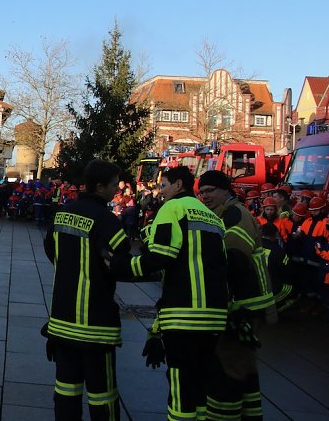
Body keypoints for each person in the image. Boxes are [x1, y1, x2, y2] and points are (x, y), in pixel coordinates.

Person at [109, 166, 229, 421]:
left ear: (179, 185)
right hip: (215, 315)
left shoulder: (172, 209)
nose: (160, 191)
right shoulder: (213, 217)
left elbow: (161, 256)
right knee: (199, 387)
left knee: (180, 387)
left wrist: (123, 266)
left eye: (164, 185)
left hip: (184, 315)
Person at [43, 159, 130, 420]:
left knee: (66, 390)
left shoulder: (62, 214)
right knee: (102, 395)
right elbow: (122, 261)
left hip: (62, 321)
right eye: (114, 185)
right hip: (96, 326)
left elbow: (51, 250)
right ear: (100, 186)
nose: (118, 190)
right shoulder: (106, 220)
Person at [197, 170, 276, 421]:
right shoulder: (228, 212)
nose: (205, 196)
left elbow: (232, 258)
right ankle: (250, 415)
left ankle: (223, 416)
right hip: (251, 303)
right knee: (244, 367)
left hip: (243, 305)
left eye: (210, 191)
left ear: (225, 190)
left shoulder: (233, 215)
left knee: (228, 367)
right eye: (202, 192)